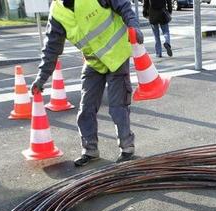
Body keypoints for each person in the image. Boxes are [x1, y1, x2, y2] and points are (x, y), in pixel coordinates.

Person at [31, 0, 144, 167]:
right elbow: (51, 48)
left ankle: (127, 149)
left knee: (117, 107)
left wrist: (133, 25)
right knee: (86, 108)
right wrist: (41, 77)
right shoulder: (57, 12)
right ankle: (90, 150)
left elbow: (123, 5)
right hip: (93, 63)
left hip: (117, 57)